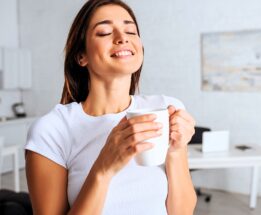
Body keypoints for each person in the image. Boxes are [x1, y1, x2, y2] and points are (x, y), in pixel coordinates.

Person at [24, 0, 197, 214]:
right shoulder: (52, 130)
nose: (122, 37)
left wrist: (176, 151)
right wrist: (103, 169)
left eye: (130, 31)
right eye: (105, 32)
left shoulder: (166, 109)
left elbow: (182, 212)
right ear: (81, 56)